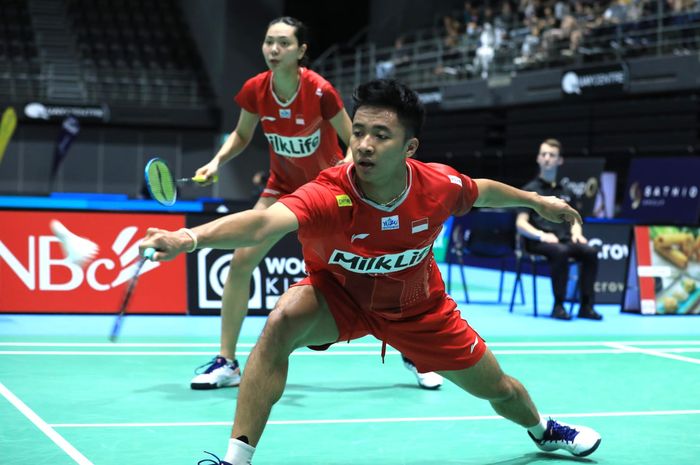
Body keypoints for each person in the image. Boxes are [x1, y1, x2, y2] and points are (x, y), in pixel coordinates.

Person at [141, 79, 602, 464]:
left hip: (419, 308)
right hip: (340, 298)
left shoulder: (437, 185)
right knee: (281, 321)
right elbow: (263, 222)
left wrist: (539, 202)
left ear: (409, 147)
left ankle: (542, 430)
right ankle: (234, 460)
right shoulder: (330, 194)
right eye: (357, 132)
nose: (363, 144)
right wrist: (189, 238)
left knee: (499, 390)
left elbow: (480, 190)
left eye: (380, 135)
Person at [191, 17, 442, 391]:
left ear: (300, 51)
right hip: (282, 188)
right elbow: (242, 135)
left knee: (380, 269)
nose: (273, 50)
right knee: (242, 260)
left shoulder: (320, 91)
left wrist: (341, 181)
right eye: (268, 42)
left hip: (331, 193)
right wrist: (216, 162)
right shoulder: (256, 90)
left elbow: (350, 143)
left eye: (283, 43)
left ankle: (412, 350)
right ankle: (227, 361)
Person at [515, 138, 603, 321]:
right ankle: (559, 306)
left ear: (559, 161)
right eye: (543, 154)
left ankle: (586, 306)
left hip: (563, 240)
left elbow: (575, 219)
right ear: (538, 159)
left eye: (552, 155)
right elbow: (521, 223)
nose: (547, 158)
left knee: (590, 252)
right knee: (561, 252)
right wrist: (541, 235)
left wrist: (577, 233)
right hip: (538, 242)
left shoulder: (566, 191)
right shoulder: (529, 191)